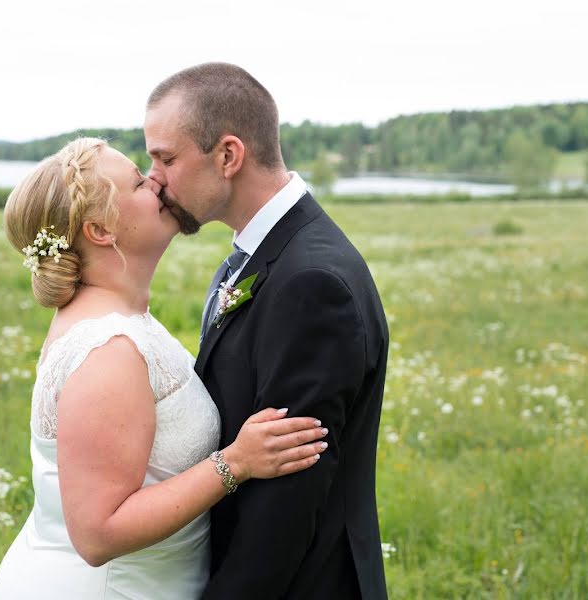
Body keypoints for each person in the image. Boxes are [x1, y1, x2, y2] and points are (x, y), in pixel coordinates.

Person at [0, 137, 329, 599]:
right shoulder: (108, 351)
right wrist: (236, 463)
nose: (158, 181)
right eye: (137, 182)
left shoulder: (122, 320)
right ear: (101, 231)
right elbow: (98, 534)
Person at [144, 63, 389, 599]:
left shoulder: (312, 282)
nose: (154, 178)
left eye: (166, 157)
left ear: (228, 155)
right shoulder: (256, 255)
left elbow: (289, 498)